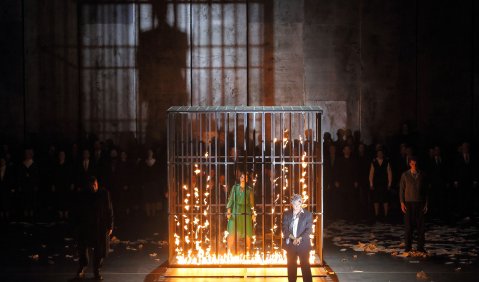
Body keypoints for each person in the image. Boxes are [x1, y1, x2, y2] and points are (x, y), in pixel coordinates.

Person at [74, 176, 113, 280]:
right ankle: (82, 267)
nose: (94, 187)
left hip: (99, 226)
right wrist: (77, 226)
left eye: (95, 184)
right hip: (86, 226)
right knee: (83, 247)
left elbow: (109, 210)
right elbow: (78, 211)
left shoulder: (104, 194)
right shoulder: (83, 194)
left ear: (97, 184)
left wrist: (110, 226)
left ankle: (96, 270)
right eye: (92, 185)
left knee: (100, 250)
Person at [282, 194, 313, 282]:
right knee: (291, 267)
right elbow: (284, 229)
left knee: (305, 267)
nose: (296, 206)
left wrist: (299, 239)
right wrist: (293, 239)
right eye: (294, 204)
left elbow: (309, 230)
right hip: (291, 244)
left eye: (298, 204)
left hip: (303, 245)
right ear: (291, 203)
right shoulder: (287, 214)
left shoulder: (308, 214)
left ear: (301, 203)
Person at [399, 157, 427, 253]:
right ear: (409, 164)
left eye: (415, 163)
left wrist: (426, 203)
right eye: (412, 164)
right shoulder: (405, 175)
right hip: (408, 203)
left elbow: (425, 191)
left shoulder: (422, 175)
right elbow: (401, 189)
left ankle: (420, 247)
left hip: (419, 203)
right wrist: (402, 202)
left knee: (421, 227)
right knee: (408, 227)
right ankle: (408, 247)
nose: (414, 165)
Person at [226, 173, 254, 255]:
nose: (243, 178)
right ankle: (229, 251)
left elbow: (252, 204)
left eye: (245, 177)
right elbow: (231, 199)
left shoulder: (249, 189)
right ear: (239, 178)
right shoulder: (235, 188)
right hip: (235, 211)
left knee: (248, 231)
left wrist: (253, 214)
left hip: (246, 211)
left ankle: (248, 251)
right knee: (232, 230)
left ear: (247, 179)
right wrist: (229, 210)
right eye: (242, 177)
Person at [369, 149, 393, 221]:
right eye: (378, 153)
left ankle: (386, 215)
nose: (380, 154)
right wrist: (371, 184)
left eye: (381, 153)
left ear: (383, 154)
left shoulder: (386, 161)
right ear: (377, 154)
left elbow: (389, 173)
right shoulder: (374, 162)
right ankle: (377, 215)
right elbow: (371, 173)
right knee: (376, 199)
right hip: (376, 183)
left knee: (385, 199)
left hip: (384, 183)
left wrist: (389, 183)